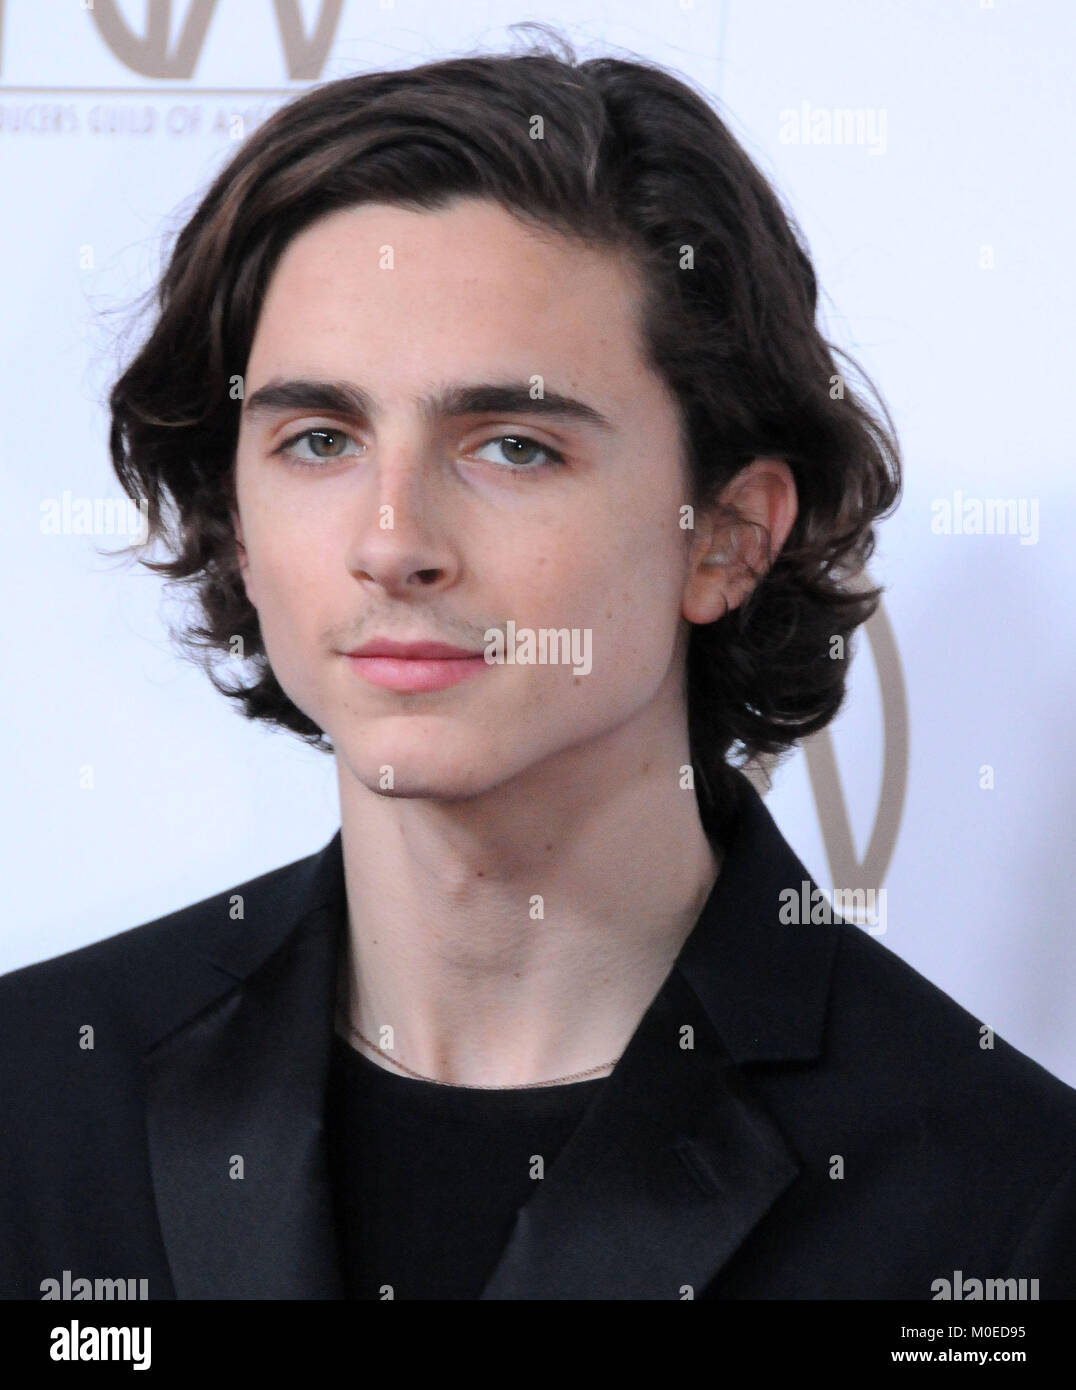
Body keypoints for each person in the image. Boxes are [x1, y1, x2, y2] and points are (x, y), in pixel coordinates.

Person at [3, 33, 1075, 1302]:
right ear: (234, 512)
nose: (391, 540)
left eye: (512, 446)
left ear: (727, 536)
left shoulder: (1000, 1199)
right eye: (317, 438)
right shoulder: (36, 1097)